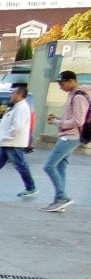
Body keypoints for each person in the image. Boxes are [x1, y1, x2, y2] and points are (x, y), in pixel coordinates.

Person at [40, 70, 89, 213]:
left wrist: (57, 121)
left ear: (71, 81)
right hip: (70, 135)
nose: (60, 86)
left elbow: (78, 121)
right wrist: (58, 120)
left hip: (71, 136)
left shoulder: (79, 97)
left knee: (49, 166)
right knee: (61, 167)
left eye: (62, 83)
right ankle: (59, 201)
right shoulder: (73, 95)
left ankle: (62, 197)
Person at [0, 85, 38, 199]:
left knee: (21, 165)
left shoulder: (21, 108)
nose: (10, 95)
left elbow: (17, 127)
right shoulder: (15, 107)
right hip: (7, 143)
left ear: (19, 94)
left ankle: (31, 187)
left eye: (13, 93)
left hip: (13, 143)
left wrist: (6, 137)